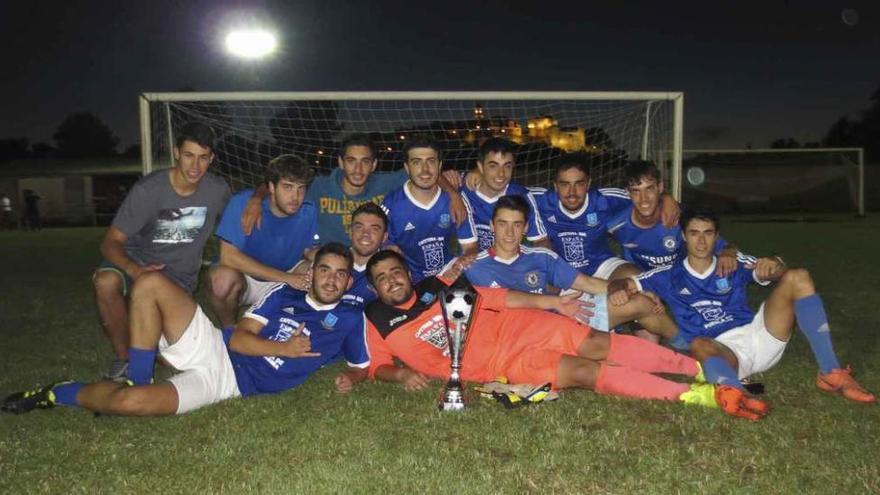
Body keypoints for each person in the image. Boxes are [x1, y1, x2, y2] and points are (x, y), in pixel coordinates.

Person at [362, 249, 770, 420]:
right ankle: (694, 395)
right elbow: (376, 365)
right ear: (375, 288)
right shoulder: (376, 318)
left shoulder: (438, 286)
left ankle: (698, 370)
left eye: (396, 272)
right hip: (504, 365)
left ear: (407, 273)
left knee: (597, 343)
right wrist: (397, 375)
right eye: (381, 278)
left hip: (521, 326)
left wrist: (552, 303)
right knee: (581, 372)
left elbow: (502, 298)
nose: (391, 280)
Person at [2, 243, 370, 416]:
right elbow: (239, 339)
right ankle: (139, 376)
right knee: (150, 284)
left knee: (127, 405)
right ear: (312, 272)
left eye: (341, 273)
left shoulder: (351, 320)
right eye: (325, 269)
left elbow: (361, 364)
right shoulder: (284, 293)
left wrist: (353, 380)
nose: (332, 279)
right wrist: (284, 350)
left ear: (348, 280)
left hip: (226, 385)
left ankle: (55, 393)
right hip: (217, 349)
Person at [608, 209, 875, 404]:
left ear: (717, 237)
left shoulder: (732, 262)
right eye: (694, 233)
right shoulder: (666, 274)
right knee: (698, 343)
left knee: (799, 276)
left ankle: (830, 371)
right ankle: (736, 391)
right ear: (683, 237)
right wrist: (619, 288)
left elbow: (775, 269)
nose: (701, 242)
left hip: (759, 336)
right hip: (721, 353)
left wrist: (775, 264)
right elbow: (626, 283)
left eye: (708, 234)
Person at [92, 122, 230, 381]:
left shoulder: (217, 190)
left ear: (211, 158)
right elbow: (110, 242)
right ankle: (125, 360)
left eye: (203, 158)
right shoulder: (148, 190)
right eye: (188, 155)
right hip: (137, 263)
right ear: (176, 152)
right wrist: (135, 269)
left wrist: (256, 200)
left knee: (179, 361)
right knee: (105, 281)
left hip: (178, 278)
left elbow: (238, 217)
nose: (195, 166)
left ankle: (153, 346)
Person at [454, 195, 678, 336]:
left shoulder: (541, 257)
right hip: (513, 337)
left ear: (525, 228)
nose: (510, 233)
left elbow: (587, 283)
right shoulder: (472, 266)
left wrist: (636, 289)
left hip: (561, 320)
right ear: (492, 226)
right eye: (503, 224)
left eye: (517, 225)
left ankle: (687, 344)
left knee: (640, 301)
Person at [242, 133, 468, 246]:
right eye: (351, 161)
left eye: (365, 162)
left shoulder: (385, 183)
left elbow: (427, 173)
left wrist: (453, 193)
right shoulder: (319, 186)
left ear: (375, 164)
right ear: (341, 163)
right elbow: (277, 181)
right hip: (328, 258)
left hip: (370, 257)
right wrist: (255, 199)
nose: (358, 169)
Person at [208, 154, 319, 327]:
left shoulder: (308, 209)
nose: (295, 196)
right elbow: (228, 257)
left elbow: (307, 248)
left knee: (320, 271)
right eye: (287, 187)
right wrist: (286, 278)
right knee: (221, 282)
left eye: (301, 188)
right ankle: (229, 330)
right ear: (271, 187)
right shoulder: (243, 203)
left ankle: (297, 326)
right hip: (247, 279)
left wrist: (321, 257)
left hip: (286, 273)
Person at [530, 154, 680, 282]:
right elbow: (512, 191)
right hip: (560, 267)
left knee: (637, 279)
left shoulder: (606, 199)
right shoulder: (540, 199)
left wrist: (666, 197)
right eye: (564, 184)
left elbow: (642, 196)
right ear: (555, 186)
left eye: (579, 184)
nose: (572, 192)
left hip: (601, 264)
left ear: (588, 183)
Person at [607, 161, 737, 274]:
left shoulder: (681, 218)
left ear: (660, 187)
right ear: (628, 193)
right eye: (636, 191)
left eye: (649, 189)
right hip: (642, 283)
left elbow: (724, 246)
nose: (644, 199)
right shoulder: (615, 224)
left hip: (679, 281)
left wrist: (728, 253)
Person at [380, 137, 478, 282]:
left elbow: (471, 248)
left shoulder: (456, 201)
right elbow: (382, 245)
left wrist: (457, 267)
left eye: (431, 161)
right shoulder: (391, 205)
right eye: (417, 162)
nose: (425, 169)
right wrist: (389, 250)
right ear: (407, 167)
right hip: (408, 280)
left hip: (447, 273)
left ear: (439, 166)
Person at [451, 137, 546, 250]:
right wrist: (453, 194)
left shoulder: (522, 197)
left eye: (507, 166)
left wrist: (539, 261)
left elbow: (541, 241)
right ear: (480, 167)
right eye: (493, 166)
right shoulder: (462, 186)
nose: (501, 174)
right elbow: (432, 176)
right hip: (473, 261)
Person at [290, 201, 389, 309]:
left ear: (384, 237)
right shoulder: (326, 261)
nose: (365, 234)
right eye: (359, 227)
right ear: (350, 232)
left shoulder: (389, 273)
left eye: (374, 229)